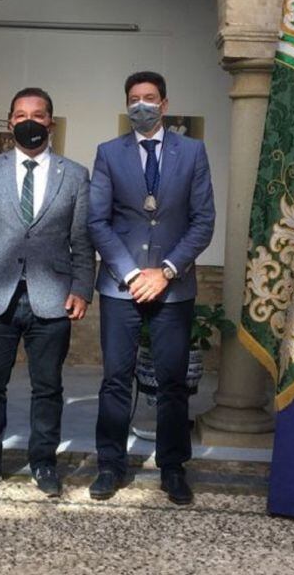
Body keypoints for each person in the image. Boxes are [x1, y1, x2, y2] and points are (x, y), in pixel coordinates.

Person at [87, 71, 215, 505]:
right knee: (115, 379)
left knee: (173, 381)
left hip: (173, 286)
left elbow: (203, 221)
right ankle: (109, 464)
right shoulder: (108, 153)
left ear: (164, 102)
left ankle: (173, 467)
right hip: (121, 286)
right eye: (134, 99)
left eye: (150, 98)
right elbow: (97, 221)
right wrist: (130, 273)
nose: (142, 105)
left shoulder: (193, 152)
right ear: (127, 104)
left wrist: (166, 270)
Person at [0, 88, 94, 498]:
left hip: (52, 297)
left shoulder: (74, 174)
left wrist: (82, 289)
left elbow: (82, 240)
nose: (29, 121)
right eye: (20, 115)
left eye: (37, 114)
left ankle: (44, 463)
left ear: (51, 122)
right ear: (10, 121)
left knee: (48, 387)